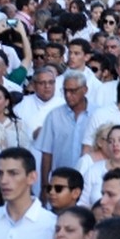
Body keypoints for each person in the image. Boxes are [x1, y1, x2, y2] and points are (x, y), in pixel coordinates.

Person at [36, 69, 91, 201]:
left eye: (73, 91)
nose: (68, 95)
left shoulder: (97, 115)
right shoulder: (54, 116)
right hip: (60, 184)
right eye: (65, 91)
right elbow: (47, 154)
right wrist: (45, 187)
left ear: (84, 90)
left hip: (88, 181)